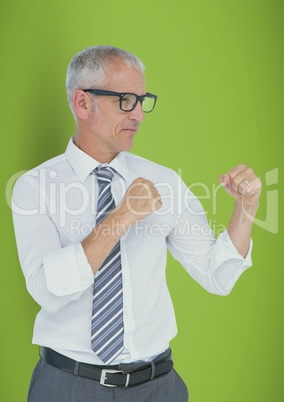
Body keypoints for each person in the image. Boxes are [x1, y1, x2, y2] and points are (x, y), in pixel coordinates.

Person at [12, 45, 262, 402]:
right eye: (126, 100)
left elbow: (216, 276)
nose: (139, 115)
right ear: (83, 103)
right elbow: (48, 291)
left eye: (143, 100)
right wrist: (121, 216)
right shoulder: (34, 186)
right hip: (66, 386)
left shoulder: (164, 182)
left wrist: (246, 209)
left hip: (157, 388)